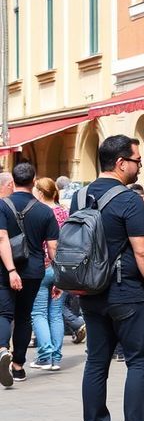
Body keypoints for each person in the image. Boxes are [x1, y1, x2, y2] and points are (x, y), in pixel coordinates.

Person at [72, 135, 144, 421]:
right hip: (126, 293)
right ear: (121, 163)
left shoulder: (80, 195)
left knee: (96, 363)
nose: (140, 165)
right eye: (137, 160)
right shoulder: (129, 199)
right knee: (139, 361)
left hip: (90, 291)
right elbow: (142, 249)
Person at [0, 163, 60, 386]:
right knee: (25, 317)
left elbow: (1, 238)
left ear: (13, 182)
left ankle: (2, 349)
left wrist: (11, 270)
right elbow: (53, 247)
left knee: (5, 314)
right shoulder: (46, 211)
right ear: (34, 181)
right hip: (35, 270)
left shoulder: (2, 206)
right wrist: (59, 278)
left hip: (5, 271)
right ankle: (18, 367)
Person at [29, 177, 70, 371]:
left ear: (39, 192)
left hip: (42, 266)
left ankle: (45, 356)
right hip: (62, 268)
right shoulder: (64, 212)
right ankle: (56, 357)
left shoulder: (38, 212)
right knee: (56, 314)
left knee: (38, 312)